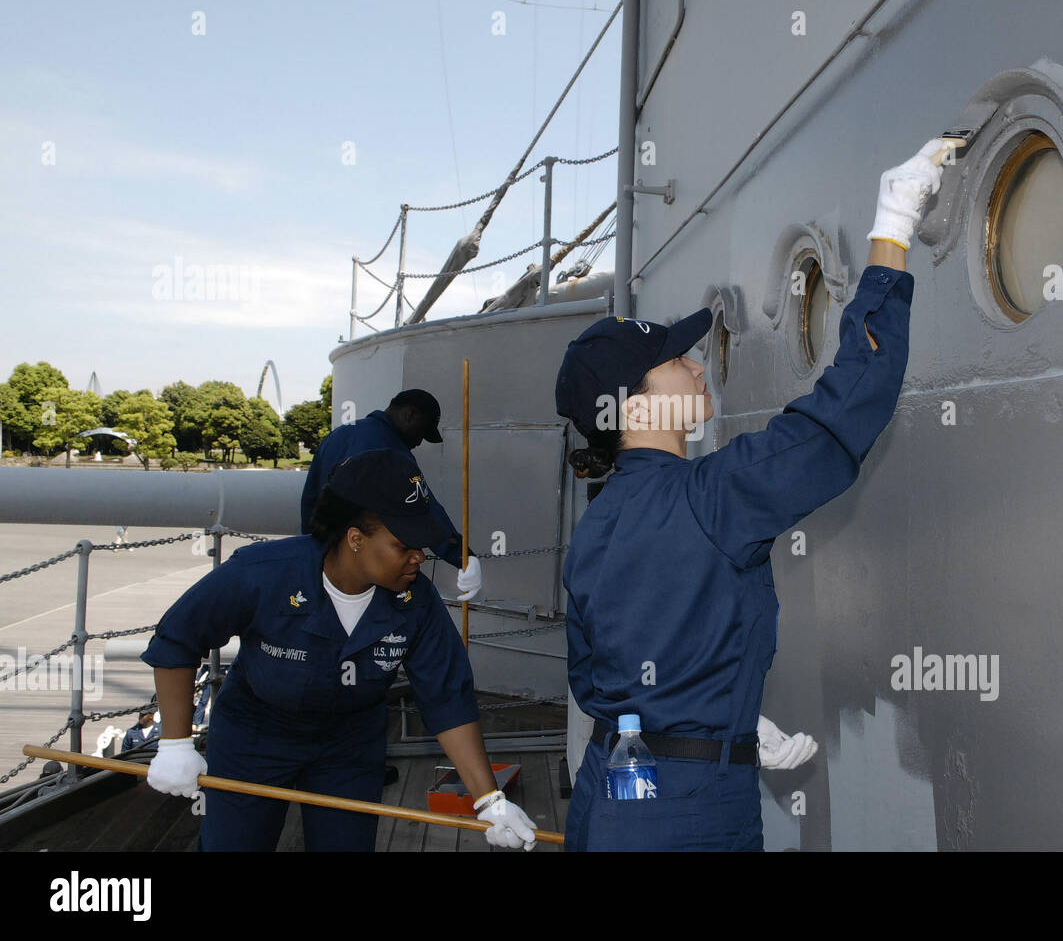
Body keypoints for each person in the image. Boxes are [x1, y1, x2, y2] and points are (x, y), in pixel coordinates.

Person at [553, 137, 958, 851]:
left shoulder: (594, 526)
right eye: (676, 360)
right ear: (635, 407)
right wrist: (891, 231)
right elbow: (842, 411)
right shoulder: (715, 499)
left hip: (617, 788)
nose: (697, 364)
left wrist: (722, 723)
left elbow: (598, 686)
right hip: (688, 812)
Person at [141, 448, 537, 851]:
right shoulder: (263, 572)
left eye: (424, 544)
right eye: (405, 545)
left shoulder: (417, 601)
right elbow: (177, 639)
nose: (419, 556)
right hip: (254, 737)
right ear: (355, 539)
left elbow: (447, 698)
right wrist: (174, 743)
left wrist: (490, 800)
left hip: (348, 745)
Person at [301, 389, 482, 601]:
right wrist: (462, 556)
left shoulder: (338, 435)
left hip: (328, 567)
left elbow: (310, 499)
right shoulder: (391, 450)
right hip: (372, 574)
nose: (419, 442)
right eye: (422, 431)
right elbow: (422, 507)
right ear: (409, 414)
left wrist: (312, 553)